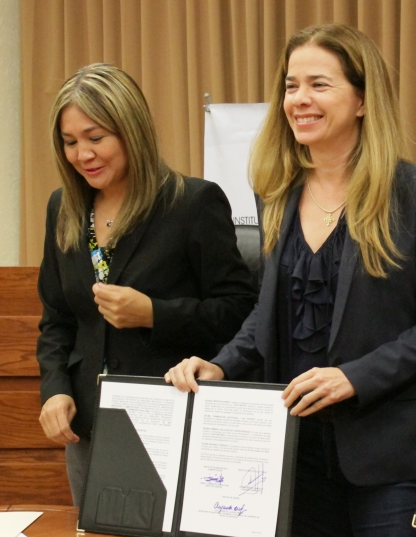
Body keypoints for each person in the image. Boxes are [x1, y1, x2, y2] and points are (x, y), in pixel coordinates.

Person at [165, 24, 416, 537]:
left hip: (389, 457)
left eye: (319, 85)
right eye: (291, 86)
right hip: (296, 453)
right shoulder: (275, 192)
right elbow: (268, 314)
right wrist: (219, 365)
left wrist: (353, 377)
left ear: (363, 101)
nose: (299, 99)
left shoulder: (415, 191)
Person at [36, 63, 257, 506]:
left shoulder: (192, 202)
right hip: (89, 427)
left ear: (130, 130)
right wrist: (55, 388)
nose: (83, 154)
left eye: (96, 138)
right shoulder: (63, 209)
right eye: (70, 142)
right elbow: (57, 320)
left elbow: (239, 310)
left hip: (170, 420)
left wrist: (155, 314)